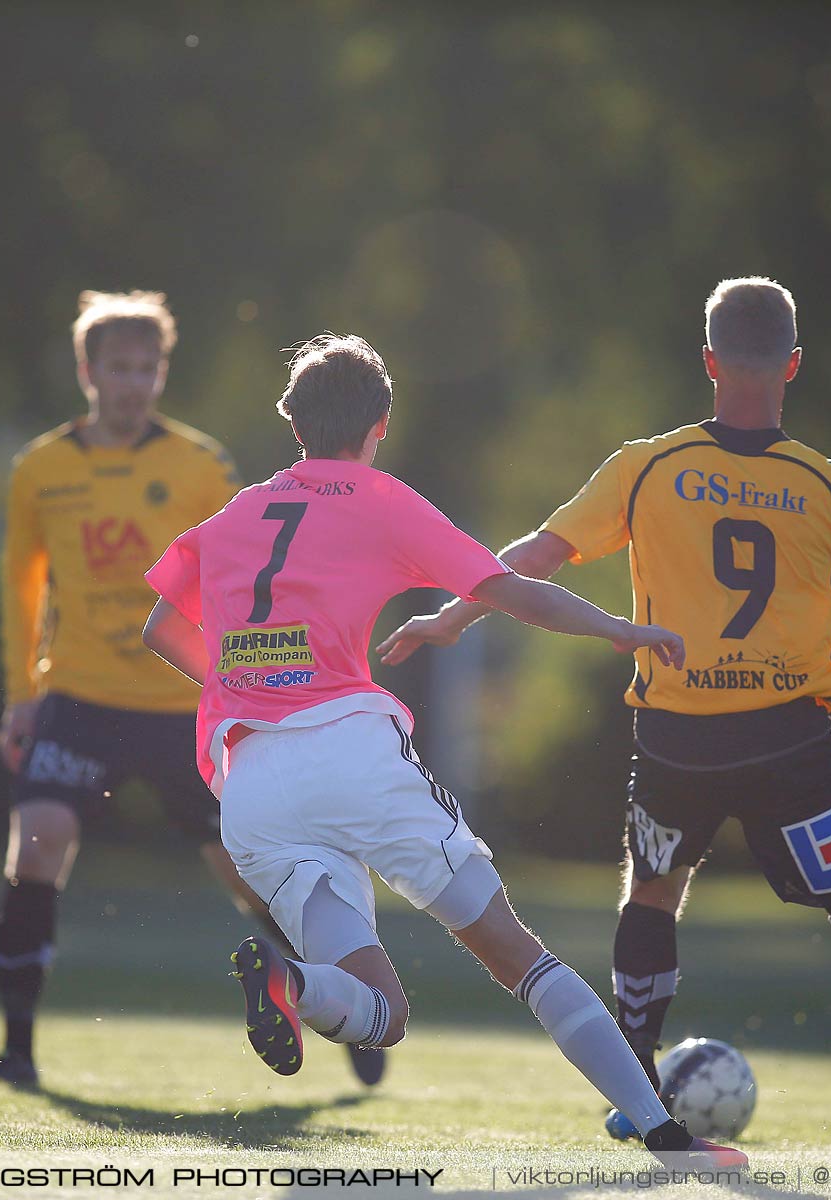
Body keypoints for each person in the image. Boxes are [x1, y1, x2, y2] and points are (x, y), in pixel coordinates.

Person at [140, 334, 742, 1166]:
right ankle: (667, 1135)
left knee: (381, 1011)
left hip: (251, 788)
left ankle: (295, 985)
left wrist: (245, 685)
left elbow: (160, 625)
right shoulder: (380, 498)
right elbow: (509, 587)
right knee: (517, 954)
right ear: (379, 423)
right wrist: (619, 627)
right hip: (351, 756)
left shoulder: (239, 512)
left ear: (291, 421)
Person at [379, 278, 831, 1156]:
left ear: (709, 361)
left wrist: (453, 614)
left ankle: (633, 1074)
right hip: (790, 737)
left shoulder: (648, 465)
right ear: (792, 364)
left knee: (655, 893)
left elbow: (537, 557)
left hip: (676, 735)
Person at [0, 291, 385, 1089]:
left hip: (184, 705)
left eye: (147, 368)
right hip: (79, 697)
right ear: (87, 371)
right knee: (37, 843)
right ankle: (17, 1051)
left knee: (245, 871)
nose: (133, 384)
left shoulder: (198, 466)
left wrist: (256, 685)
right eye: (118, 369)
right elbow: (21, 586)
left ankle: (345, 1005)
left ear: (162, 372)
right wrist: (21, 691)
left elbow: (249, 571)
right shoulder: (42, 468)